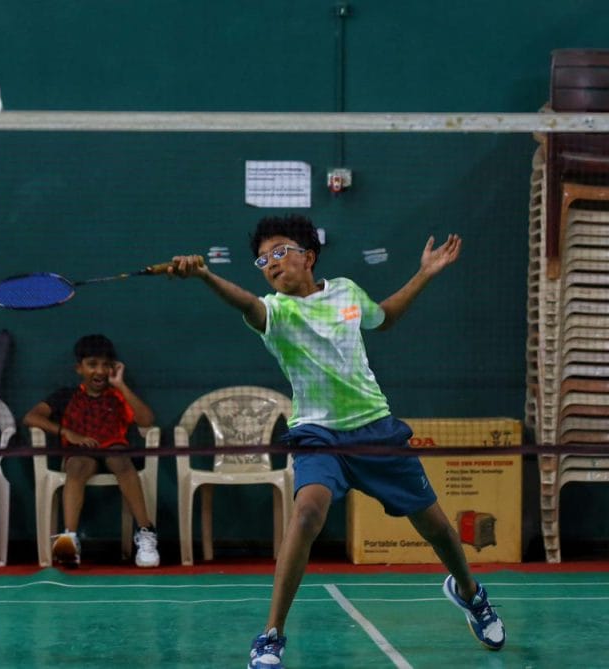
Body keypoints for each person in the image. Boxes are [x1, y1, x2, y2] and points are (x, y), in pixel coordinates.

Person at [169, 214, 505, 668]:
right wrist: (205, 275)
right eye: (262, 259)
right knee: (307, 510)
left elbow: (382, 318)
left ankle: (470, 592)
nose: (270, 263)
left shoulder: (346, 293)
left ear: (308, 257)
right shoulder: (276, 312)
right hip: (317, 432)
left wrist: (424, 274)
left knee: (438, 528)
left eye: (280, 251)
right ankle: (271, 635)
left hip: (375, 428)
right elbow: (246, 303)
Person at [23, 334, 159, 568]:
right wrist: (67, 433)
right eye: (92, 364)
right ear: (79, 368)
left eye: (106, 365)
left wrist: (121, 385)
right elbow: (30, 417)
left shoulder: (118, 395)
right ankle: (69, 539)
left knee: (122, 462)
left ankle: (146, 533)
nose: (100, 371)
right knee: (76, 467)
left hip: (114, 448)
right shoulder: (65, 396)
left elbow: (146, 421)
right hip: (80, 451)